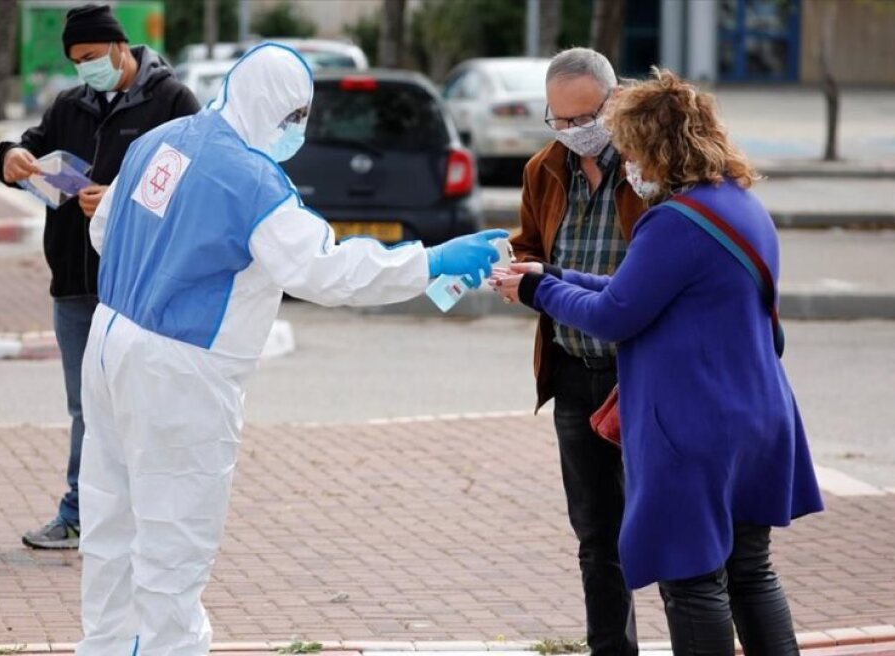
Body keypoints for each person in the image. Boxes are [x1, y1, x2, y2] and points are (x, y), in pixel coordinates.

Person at [76, 42, 508, 655]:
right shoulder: (253, 182)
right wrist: (431, 261)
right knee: (175, 537)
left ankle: (107, 647)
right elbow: (325, 271)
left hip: (111, 339)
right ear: (271, 106)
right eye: (294, 118)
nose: (297, 132)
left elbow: (102, 230)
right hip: (183, 368)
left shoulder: (162, 140)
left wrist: (160, 260)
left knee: (110, 521)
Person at [492, 68, 824, 655]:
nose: (629, 164)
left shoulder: (674, 221)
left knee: (692, 579)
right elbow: (639, 287)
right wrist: (557, 274)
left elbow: (619, 313)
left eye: (633, 150)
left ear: (659, 149)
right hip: (757, 412)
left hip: (696, 426)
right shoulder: (738, 204)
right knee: (750, 571)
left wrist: (537, 292)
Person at [0, 3, 200, 550]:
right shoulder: (70, 105)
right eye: (76, 61)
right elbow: (31, 147)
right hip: (75, 286)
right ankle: (79, 513)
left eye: (90, 57)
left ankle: (153, 518)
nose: (85, 69)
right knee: (88, 407)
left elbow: (196, 184)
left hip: (139, 287)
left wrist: (118, 201)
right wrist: (11, 155)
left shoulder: (172, 103)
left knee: (145, 405)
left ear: (118, 46)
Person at [507, 47, 645, 654]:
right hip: (572, 373)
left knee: (666, 526)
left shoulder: (647, 171)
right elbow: (532, 246)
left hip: (640, 373)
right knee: (596, 534)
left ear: (614, 105)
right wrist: (511, 270)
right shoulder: (545, 168)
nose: (570, 134)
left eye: (581, 119)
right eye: (557, 121)